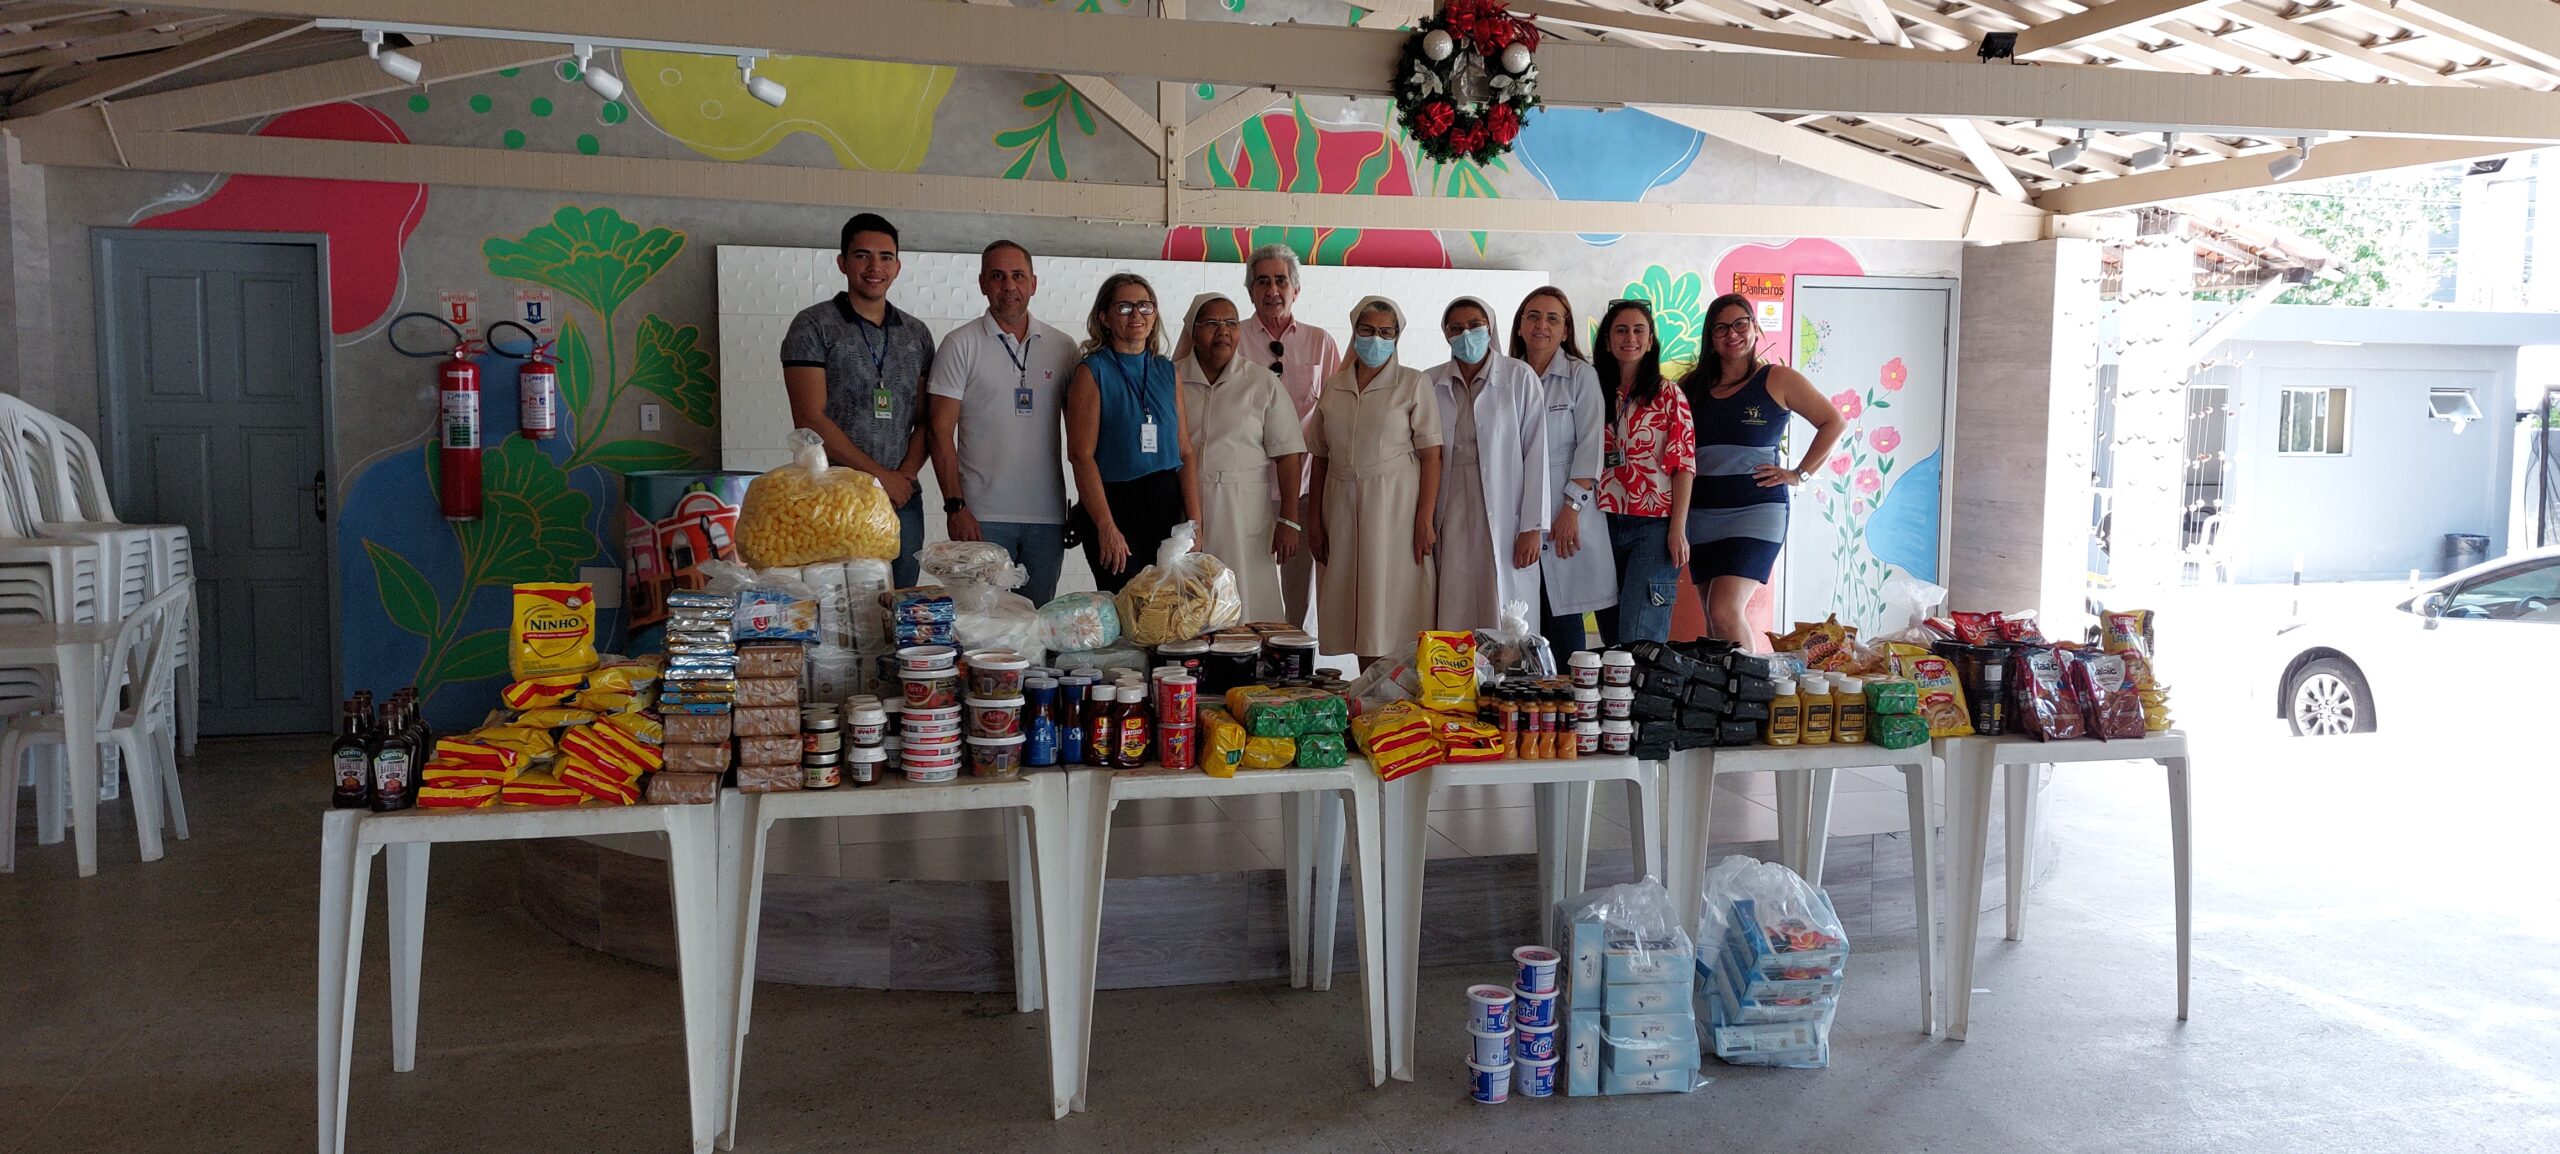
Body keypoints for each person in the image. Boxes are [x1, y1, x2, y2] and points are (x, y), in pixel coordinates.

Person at [780, 211, 936, 587]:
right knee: (838, 613)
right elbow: (810, 418)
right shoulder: (813, 325)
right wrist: (880, 477)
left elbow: (928, 419)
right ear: (842, 262)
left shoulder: (916, 333)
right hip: (832, 494)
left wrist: (905, 477)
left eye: (885, 257)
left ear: (898, 266)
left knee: (899, 606)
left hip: (901, 500)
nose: (874, 267)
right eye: (862, 255)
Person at [1685, 292, 1846, 646]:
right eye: (1721, 328)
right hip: (1701, 515)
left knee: (1725, 611)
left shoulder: (1778, 379)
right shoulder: (1691, 387)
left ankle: (1753, 695)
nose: (1732, 334)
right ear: (1710, 339)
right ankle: (1725, 697)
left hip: (1755, 511)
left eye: (1740, 324)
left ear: (1755, 328)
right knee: (1714, 624)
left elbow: (1833, 422)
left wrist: (1799, 473)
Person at [924, 240, 1079, 603]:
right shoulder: (960, 344)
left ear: (1034, 283)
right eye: (997, 276)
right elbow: (938, 430)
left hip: (1048, 517)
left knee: (1038, 624)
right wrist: (955, 506)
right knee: (983, 627)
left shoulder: (1063, 347)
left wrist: (1081, 506)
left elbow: (1082, 438)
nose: (1009, 286)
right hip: (981, 516)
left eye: (1017, 276)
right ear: (982, 284)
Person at [1306, 296, 1442, 666]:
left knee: (1390, 602)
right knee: (1353, 603)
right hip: (1341, 503)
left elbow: (1431, 454)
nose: (1375, 339)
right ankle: (1368, 690)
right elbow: (1319, 455)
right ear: (1354, 332)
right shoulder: (1334, 388)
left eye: (1386, 332)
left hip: (1394, 506)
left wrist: (1425, 518)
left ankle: (1395, 696)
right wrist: (1314, 520)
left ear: (1398, 336)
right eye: (1366, 331)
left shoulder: (1413, 384)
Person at [1174, 293, 1307, 622]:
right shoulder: (1171, 377)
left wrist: (1289, 519)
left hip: (1244, 509)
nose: (1223, 331)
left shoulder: (1261, 381)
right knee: (1186, 604)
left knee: (1248, 603)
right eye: (1212, 323)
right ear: (1193, 330)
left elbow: (1289, 453)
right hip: (1184, 505)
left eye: (1231, 323)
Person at [1065, 273, 1200, 595]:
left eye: (1145, 306)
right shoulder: (1092, 371)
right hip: (1115, 505)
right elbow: (1080, 456)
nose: (1137, 315)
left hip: (1166, 504)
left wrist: (1193, 523)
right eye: (1124, 307)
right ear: (1104, 317)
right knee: (1127, 609)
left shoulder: (1167, 371)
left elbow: (1185, 452)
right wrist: (1106, 527)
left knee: (1168, 613)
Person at [1427, 296, 1549, 633]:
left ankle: (1506, 686)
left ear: (1490, 327)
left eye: (1475, 325)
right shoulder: (1429, 383)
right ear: (1445, 334)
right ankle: (1454, 679)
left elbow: (1535, 454)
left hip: (1506, 510)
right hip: (1449, 507)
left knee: (1505, 612)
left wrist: (1532, 527)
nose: (1466, 334)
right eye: (1456, 328)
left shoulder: (1519, 378)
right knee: (1453, 601)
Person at [1511, 287, 1616, 660]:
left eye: (1553, 318)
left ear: (1566, 330)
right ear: (1520, 325)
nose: (1542, 325)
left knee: (1563, 615)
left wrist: (1571, 509)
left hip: (1565, 514)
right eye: (1533, 316)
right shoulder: (1507, 376)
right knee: (1520, 622)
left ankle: (1571, 711)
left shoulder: (1579, 376)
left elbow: (1590, 448)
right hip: (1516, 516)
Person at [1245, 244, 1340, 630]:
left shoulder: (1320, 342)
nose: (1272, 290)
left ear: (1296, 290)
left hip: (1301, 493)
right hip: (1247, 491)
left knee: (1298, 599)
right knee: (1248, 589)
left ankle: (1294, 674)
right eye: (1262, 281)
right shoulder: (1232, 340)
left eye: (1281, 280)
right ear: (1250, 290)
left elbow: (1336, 415)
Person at [1591, 299, 1695, 646]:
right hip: (1603, 523)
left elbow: (1683, 466)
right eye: (1621, 330)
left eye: (1639, 330)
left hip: (1653, 527)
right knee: (1611, 639)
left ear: (1650, 341)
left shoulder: (1668, 395)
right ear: (1607, 340)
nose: (1630, 337)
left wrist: (1677, 529)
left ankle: (1643, 702)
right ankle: (1613, 702)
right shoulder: (1595, 392)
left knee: (1639, 638)